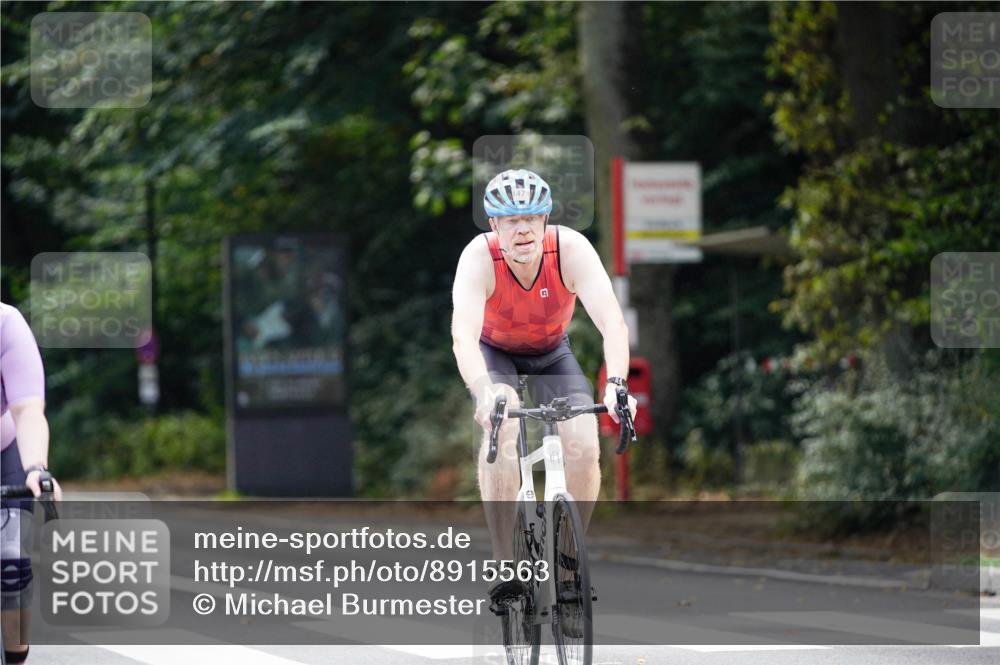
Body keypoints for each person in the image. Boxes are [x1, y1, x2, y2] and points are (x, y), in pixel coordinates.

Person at [450, 169, 637, 611]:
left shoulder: (570, 250)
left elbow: (612, 322)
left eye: (531, 217)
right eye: (510, 220)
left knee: (583, 443)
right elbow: (462, 336)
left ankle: (569, 561)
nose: (522, 229)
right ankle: (503, 565)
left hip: (552, 353)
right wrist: (483, 391)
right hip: (494, 354)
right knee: (504, 423)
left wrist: (616, 383)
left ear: (546, 218)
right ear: (493, 226)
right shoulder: (479, 258)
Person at [1, 301, 62, 664]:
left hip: (4, 453)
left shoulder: (6, 323)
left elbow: (27, 411)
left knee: (10, 564)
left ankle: (14, 654)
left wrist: (37, 468)